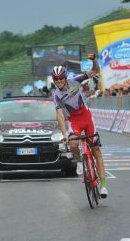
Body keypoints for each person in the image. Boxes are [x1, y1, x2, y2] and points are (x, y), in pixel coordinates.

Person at [51, 54, 108, 199]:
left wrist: (94, 60)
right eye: (55, 80)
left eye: (60, 79)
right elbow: (59, 115)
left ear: (65, 77)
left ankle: (103, 186)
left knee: (96, 151)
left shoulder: (75, 81)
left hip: (86, 117)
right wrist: (64, 134)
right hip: (74, 121)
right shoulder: (56, 95)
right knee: (73, 143)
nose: (58, 82)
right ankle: (79, 162)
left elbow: (95, 71)